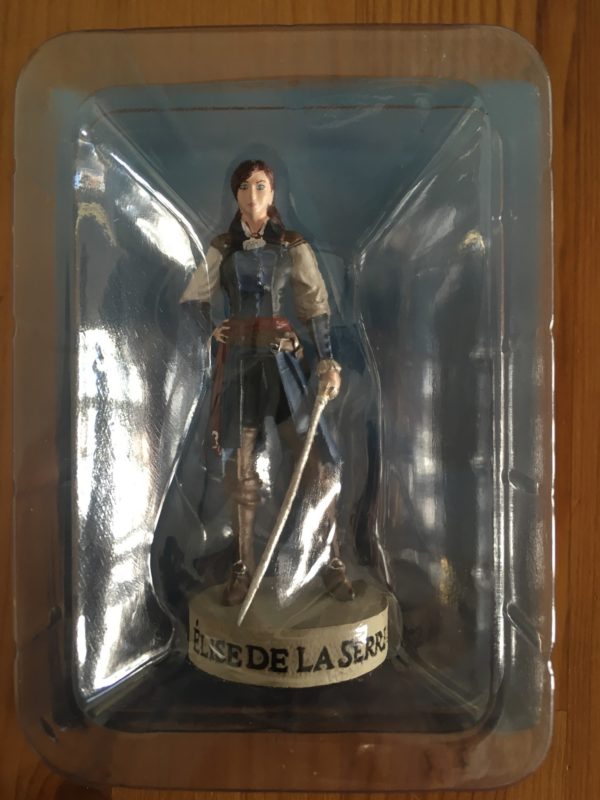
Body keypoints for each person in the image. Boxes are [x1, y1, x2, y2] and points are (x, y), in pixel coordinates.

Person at [180, 159, 353, 606]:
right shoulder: (222, 247)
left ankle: (330, 557)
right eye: (244, 187)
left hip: (281, 362)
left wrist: (326, 360)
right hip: (240, 365)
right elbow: (193, 298)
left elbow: (314, 304)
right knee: (243, 470)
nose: (252, 195)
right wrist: (210, 330)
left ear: (272, 192)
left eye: (260, 186)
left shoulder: (292, 245)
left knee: (317, 461)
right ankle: (243, 564)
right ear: (235, 195)